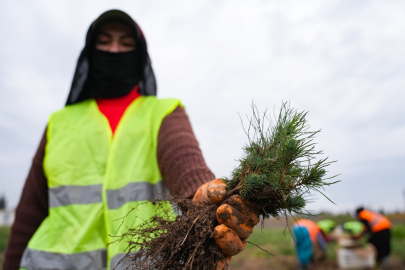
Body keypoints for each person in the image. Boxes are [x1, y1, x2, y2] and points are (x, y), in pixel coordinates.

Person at [3, 10, 258, 270]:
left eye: (126, 44)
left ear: (139, 57)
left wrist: (200, 195)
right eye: (104, 42)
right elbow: (28, 213)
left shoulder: (163, 113)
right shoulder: (59, 123)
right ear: (90, 52)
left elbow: (184, 160)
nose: (114, 50)